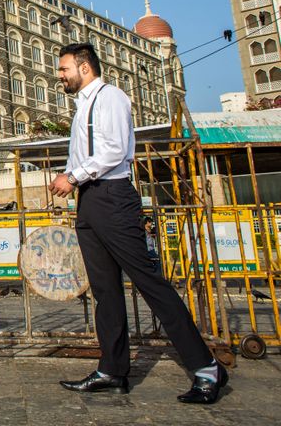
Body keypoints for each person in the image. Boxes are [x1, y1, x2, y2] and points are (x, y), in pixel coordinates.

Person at [47, 43, 227, 405]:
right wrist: (72, 178)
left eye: (64, 69)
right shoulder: (83, 106)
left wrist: (75, 176)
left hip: (113, 197)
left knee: (150, 284)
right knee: (105, 291)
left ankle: (207, 368)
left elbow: (113, 149)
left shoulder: (110, 98)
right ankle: (113, 370)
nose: (60, 76)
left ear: (84, 68)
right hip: (91, 201)